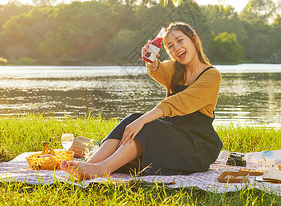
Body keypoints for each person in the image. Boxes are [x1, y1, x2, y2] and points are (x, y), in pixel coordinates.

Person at [61, 22, 223, 179]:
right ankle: (91, 164)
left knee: (146, 124)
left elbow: (179, 102)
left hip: (196, 145)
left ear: (194, 39)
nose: (176, 48)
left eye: (180, 40)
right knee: (132, 118)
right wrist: (151, 62)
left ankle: (102, 169)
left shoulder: (211, 76)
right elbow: (159, 69)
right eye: (170, 46)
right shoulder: (175, 70)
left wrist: (143, 120)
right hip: (172, 137)